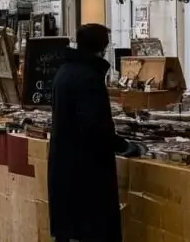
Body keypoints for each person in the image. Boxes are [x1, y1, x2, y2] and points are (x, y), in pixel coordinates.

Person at [49, 24, 144, 242]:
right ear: (103, 46)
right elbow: (95, 126)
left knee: (68, 229)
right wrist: (124, 146)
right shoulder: (89, 77)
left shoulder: (63, 72)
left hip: (64, 165)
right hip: (87, 170)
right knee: (93, 229)